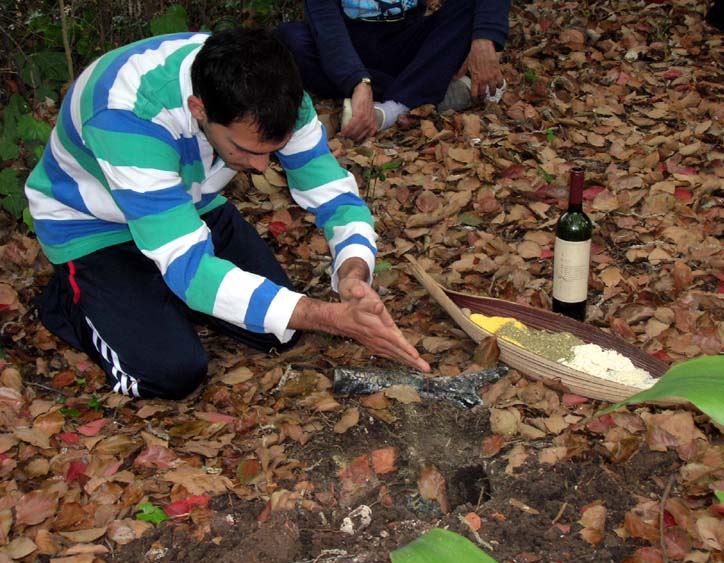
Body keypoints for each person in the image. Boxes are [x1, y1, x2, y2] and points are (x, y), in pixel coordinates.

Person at [25, 28, 430, 400]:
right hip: (94, 227)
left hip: (190, 204)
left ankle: (162, 291)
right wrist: (329, 316)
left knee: (281, 331)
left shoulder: (278, 93)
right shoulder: (126, 115)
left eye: (272, 150)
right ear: (198, 109)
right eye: (248, 151)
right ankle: (72, 300)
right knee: (172, 372)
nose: (262, 167)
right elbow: (191, 267)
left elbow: (336, 198)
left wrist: (353, 274)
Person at [276, 0, 510, 142]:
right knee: (291, 41)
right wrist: (358, 80)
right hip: (349, 49)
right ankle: (427, 92)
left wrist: (484, 39)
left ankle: (394, 107)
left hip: (409, 43)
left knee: (469, 7)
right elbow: (327, 28)